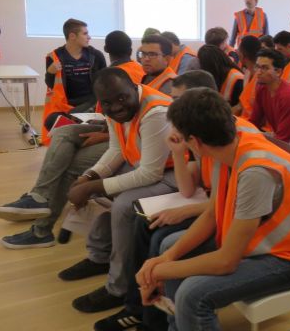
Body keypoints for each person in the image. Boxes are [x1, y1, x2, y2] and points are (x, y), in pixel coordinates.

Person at [136, 87, 290, 331]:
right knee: (169, 247)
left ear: (195, 142)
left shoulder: (255, 172)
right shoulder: (229, 143)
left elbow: (226, 262)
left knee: (192, 295)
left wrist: (158, 272)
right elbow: (212, 213)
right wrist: (165, 260)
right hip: (271, 243)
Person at [0, 31, 145, 247]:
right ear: (132, 50)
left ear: (107, 50)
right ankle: (39, 197)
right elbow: (112, 113)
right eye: (143, 53)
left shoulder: (133, 78)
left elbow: (129, 122)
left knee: (68, 160)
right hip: (108, 125)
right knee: (61, 131)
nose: (145, 58)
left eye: (151, 54)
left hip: (123, 139)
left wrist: (100, 133)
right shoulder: (130, 73)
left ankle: (42, 229)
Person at [93, 69, 221, 331]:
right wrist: (179, 151)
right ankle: (138, 305)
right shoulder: (197, 136)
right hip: (209, 205)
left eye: (178, 101)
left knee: (160, 238)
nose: (170, 107)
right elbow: (188, 189)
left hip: (225, 216)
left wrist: (187, 212)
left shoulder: (223, 140)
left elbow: (229, 204)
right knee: (146, 225)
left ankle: (147, 316)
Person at [55, 68, 176, 313]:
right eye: (108, 102)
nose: (116, 106)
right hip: (146, 167)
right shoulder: (113, 109)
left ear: (134, 87)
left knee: (124, 206)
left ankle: (118, 288)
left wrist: (93, 185)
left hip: (177, 176)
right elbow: (117, 149)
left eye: (122, 98)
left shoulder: (156, 112)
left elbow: (150, 173)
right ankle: (99, 257)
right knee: (94, 190)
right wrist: (89, 177)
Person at [41, 18, 108, 145]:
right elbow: (51, 86)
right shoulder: (55, 56)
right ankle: (77, 137)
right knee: (50, 121)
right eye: (85, 34)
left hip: (91, 101)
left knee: (72, 116)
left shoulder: (96, 55)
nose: (89, 37)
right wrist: (50, 72)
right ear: (72, 36)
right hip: (66, 103)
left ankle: (75, 135)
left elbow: (105, 82)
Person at [250, 48, 290, 147]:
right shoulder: (261, 87)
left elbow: (283, 138)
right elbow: (254, 122)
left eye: (265, 68)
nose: (258, 72)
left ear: (278, 72)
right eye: (257, 67)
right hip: (280, 137)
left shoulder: (288, 95)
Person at [234, 36, 262, 120]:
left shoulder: (261, 78)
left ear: (242, 55)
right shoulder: (247, 73)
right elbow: (240, 106)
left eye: (238, 49)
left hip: (255, 127)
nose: (236, 51)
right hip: (245, 121)